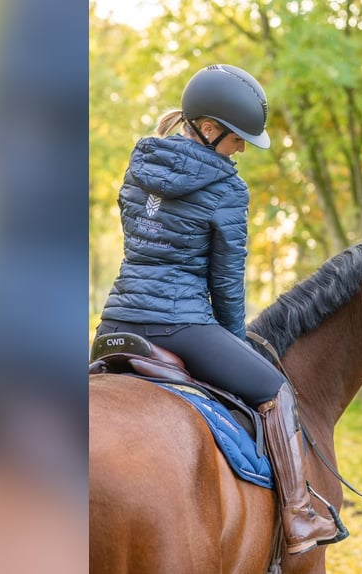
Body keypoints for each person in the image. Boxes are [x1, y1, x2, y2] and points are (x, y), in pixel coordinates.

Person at [95, 64, 343, 555]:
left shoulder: (139, 165)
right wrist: (235, 340)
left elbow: (142, 249)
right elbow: (226, 283)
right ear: (209, 130)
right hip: (181, 325)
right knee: (275, 389)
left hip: (115, 324)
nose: (243, 149)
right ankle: (299, 515)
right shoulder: (227, 189)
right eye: (238, 139)